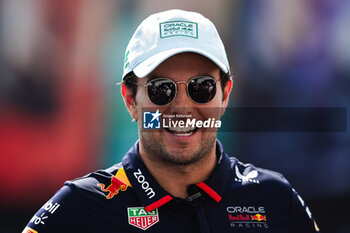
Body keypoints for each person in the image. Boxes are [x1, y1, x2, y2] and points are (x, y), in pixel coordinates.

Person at [22, 9, 320, 233]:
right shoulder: (81, 205)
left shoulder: (275, 199)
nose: (182, 107)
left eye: (201, 88)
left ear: (225, 95)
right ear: (130, 100)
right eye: (161, 89)